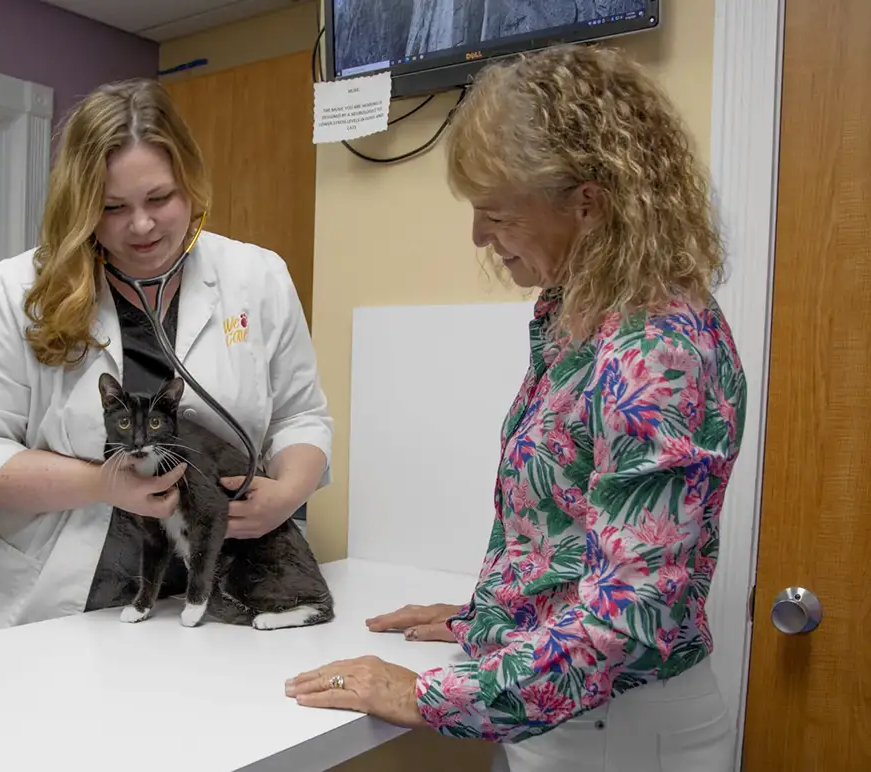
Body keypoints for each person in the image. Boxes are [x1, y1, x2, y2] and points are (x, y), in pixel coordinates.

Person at [284, 44, 747, 772]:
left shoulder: (658, 351)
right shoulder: (579, 318)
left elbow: (629, 619)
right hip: (565, 720)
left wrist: (424, 697)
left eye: (495, 214)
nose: (478, 237)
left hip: (621, 738)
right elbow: (574, 533)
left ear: (587, 205)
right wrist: (493, 617)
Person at [0, 79, 333, 639]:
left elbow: (300, 415)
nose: (141, 226)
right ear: (81, 204)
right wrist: (102, 484)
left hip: (209, 605)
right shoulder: (15, 291)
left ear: (190, 181)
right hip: (47, 610)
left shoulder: (257, 277)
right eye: (112, 207)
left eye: (160, 199)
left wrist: (288, 494)